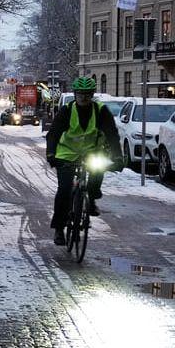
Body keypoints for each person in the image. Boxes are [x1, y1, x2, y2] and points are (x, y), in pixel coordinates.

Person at [46, 76, 121, 245]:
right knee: (64, 190)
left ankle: (92, 197)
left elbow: (112, 134)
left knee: (98, 170)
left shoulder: (101, 111)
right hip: (67, 153)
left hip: (92, 152)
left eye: (87, 94)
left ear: (92, 94)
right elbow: (54, 133)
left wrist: (118, 156)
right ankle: (59, 228)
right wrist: (51, 154)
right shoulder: (66, 111)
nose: (84, 98)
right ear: (75, 94)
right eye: (80, 94)